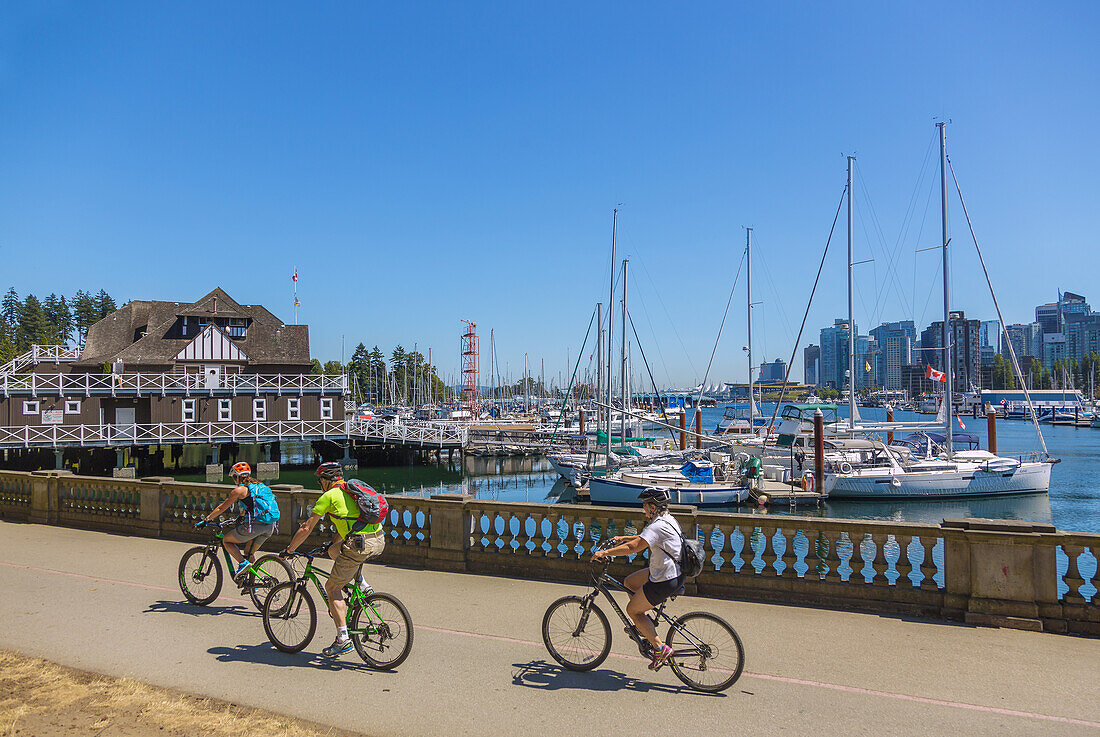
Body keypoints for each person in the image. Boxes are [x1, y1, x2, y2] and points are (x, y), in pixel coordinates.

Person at [282, 461, 386, 658]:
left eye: (320, 480)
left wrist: (289, 550)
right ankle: (362, 586)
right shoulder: (351, 490)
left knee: (332, 588)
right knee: (333, 551)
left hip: (359, 544)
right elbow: (348, 523)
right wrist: (332, 543)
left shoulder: (328, 496)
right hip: (378, 539)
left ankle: (343, 639)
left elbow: (306, 528)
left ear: (325, 480)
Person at [591, 486, 683, 670]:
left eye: (645, 505)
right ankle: (645, 626)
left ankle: (659, 647)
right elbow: (645, 538)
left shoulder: (657, 525)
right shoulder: (668, 520)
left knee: (633, 611)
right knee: (629, 582)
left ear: (653, 507)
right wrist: (623, 538)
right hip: (672, 572)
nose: (643, 509)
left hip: (664, 579)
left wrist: (605, 552)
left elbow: (635, 547)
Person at [194, 461, 280, 584]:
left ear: (237, 477)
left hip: (256, 526)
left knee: (226, 541)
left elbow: (221, 508)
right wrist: (241, 516)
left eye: (234, 477)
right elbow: (253, 505)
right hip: (270, 526)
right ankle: (252, 585)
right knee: (248, 552)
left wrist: (205, 520)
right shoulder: (260, 486)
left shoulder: (239, 490)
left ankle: (242, 563)